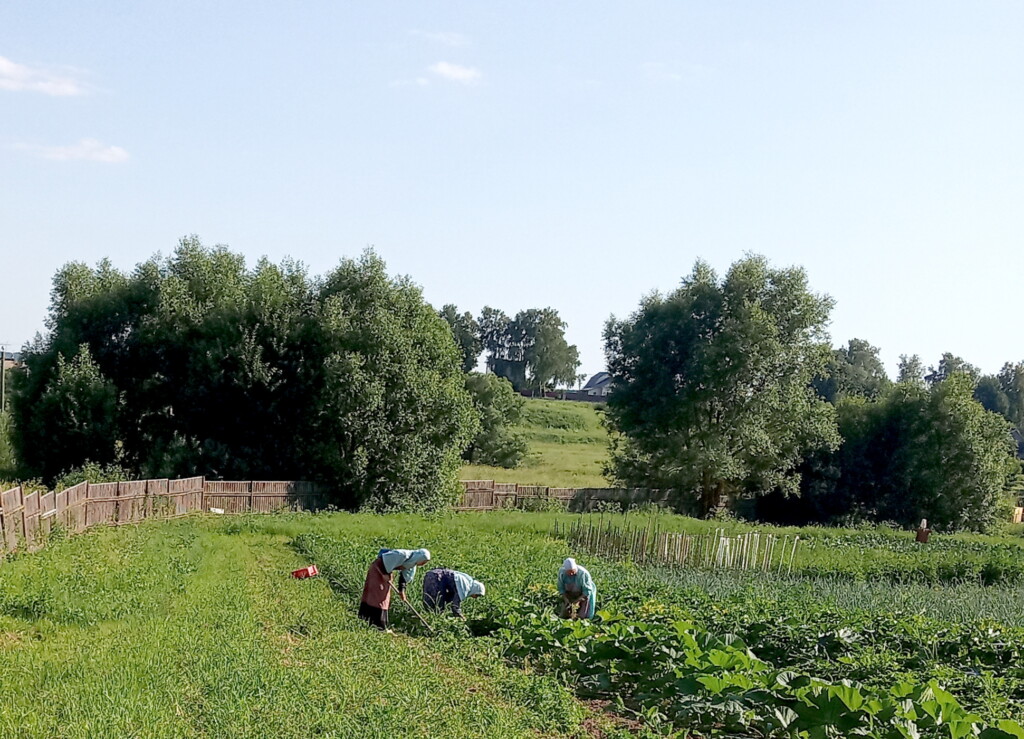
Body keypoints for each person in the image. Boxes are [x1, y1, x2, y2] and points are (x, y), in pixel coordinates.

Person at [359, 547, 431, 630]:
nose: (423, 564)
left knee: (384, 598)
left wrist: (401, 591)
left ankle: (378, 624)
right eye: (424, 561)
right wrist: (384, 573)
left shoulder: (412, 564)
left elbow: (403, 578)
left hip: (386, 573)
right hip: (378, 569)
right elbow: (384, 561)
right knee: (377, 596)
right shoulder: (402, 555)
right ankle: (373, 622)